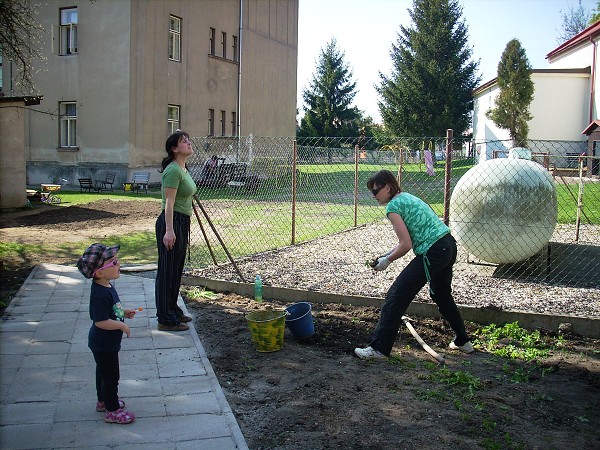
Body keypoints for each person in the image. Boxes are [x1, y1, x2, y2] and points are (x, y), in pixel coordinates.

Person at [354, 169, 473, 360]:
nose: (373, 196)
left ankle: (379, 349)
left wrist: (387, 261)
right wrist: (385, 254)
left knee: (396, 295)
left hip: (433, 252)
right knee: (441, 295)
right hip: (447, 245)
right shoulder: (406, 197)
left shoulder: (393, 207)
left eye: (376, 191)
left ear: (389, 187)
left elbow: (406, 245)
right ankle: (463, 341)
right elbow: (406, 240)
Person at [77, 243, 137, 424]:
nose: (118, 264)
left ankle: (103, 401)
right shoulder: (100, 294)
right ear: (100, 272)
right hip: (103, 344)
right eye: (113, 263)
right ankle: (112, 410)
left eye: (117, 261)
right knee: (111, 377)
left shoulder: (107, 286)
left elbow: (110, 311)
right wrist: (121, 326)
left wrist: (123, 312)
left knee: (103, 373)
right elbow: (100, 321)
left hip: (105, 344)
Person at [155, 130, 196, 331]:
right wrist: (169, 231)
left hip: (181, 221)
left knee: (175, 270)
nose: (188, 143)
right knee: (167, 271)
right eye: (183, 141)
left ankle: (172, 309)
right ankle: (165, 319)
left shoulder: (183, 168)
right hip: (171, 222)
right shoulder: (173, 170)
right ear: (174, 148)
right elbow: (168, 203)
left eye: (188, 140)